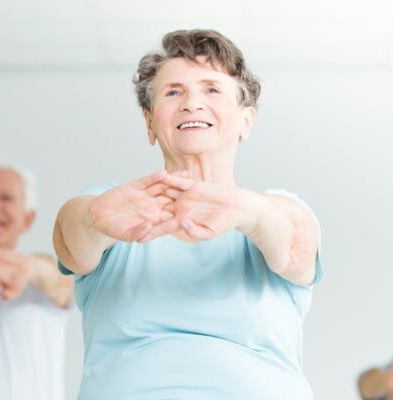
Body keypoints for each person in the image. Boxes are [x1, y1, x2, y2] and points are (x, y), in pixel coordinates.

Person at [53, 29, 322, 399]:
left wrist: (242, 209)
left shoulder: (276, 210)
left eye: (212, 89)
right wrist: (92, 220)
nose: (192, 103)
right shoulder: (113, 209)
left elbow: (294, 242)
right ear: (149, 123)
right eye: (173, 92)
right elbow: (71, 240)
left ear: (247, 120)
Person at [0, 163, 73, 400]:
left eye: (6, 198)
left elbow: (60, 282)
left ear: (28, 219)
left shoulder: (40, 276)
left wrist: (25, 268)